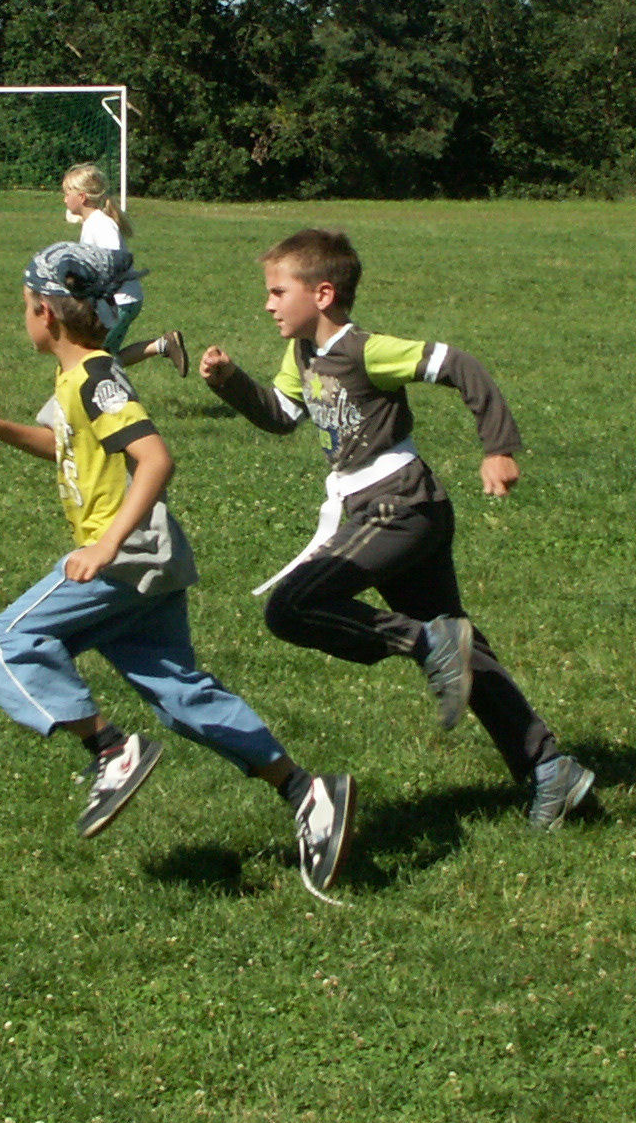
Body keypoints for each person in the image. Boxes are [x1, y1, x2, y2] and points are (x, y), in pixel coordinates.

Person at [0, 240, 356, 892]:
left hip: (124, 558)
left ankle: (110, 749)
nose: (23, 317)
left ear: (45, 313)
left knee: (5, 641)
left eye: (25, 306)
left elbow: (155, 458)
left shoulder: (96, 377)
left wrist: (105, 546)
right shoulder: (81, 375)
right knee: (181, 696)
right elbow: (66, 445)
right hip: (148, 561)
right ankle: (306, 792)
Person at [198, 226, 594, 830]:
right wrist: (230, 382)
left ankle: (427, 644)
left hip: (400, 505)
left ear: (323, 294)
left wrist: (498, 448)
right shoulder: (302, 354)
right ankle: (552, 771)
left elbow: (458, 364)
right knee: (463, 651)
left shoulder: (364, 351)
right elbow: (280, 415)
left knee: (293, 607)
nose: (268, 304)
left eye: (278, 292)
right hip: (382, 508)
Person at [58, 162, 185, 372]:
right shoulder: (91, 223)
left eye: (67, 193)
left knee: (96, 360)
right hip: (115, 301)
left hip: (119, 302)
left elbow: (115, 262)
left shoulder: (101, 224)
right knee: (103, 358)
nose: (64, 199)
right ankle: (164, 344)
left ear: (82, 197)